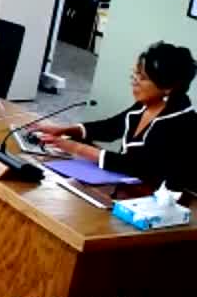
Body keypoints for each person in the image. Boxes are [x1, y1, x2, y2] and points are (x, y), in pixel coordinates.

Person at [33, 42, 196, 192]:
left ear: (168, 87)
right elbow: (111, 127)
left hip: (161, 198)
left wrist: (76, 148)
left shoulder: (182, 123)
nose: (135, 81)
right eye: (135, 75)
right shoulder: (147, 105)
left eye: (143, 78)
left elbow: (137, 165)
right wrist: (65, 130)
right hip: (127, 186)